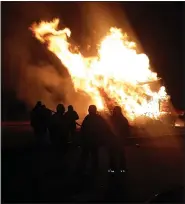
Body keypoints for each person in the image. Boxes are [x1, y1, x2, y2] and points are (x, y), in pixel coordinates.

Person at [77, 105, 109, 175]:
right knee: (92, 154)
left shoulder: (88, 118)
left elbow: (83, 129)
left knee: (87, 155)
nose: (89, 110)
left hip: (90, 140)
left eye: (89, 109)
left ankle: (83, 168)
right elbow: (104, 128)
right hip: (92, 140)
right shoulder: (97, 118)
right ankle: (93, 168)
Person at [108, 106, 130, 173]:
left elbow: (126, 129)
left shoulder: (120, 119)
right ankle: (113, 169)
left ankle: (121, 168)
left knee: (120, 154)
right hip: (114, 139)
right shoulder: (114, 119)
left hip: (119, 139)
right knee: (113, 154)